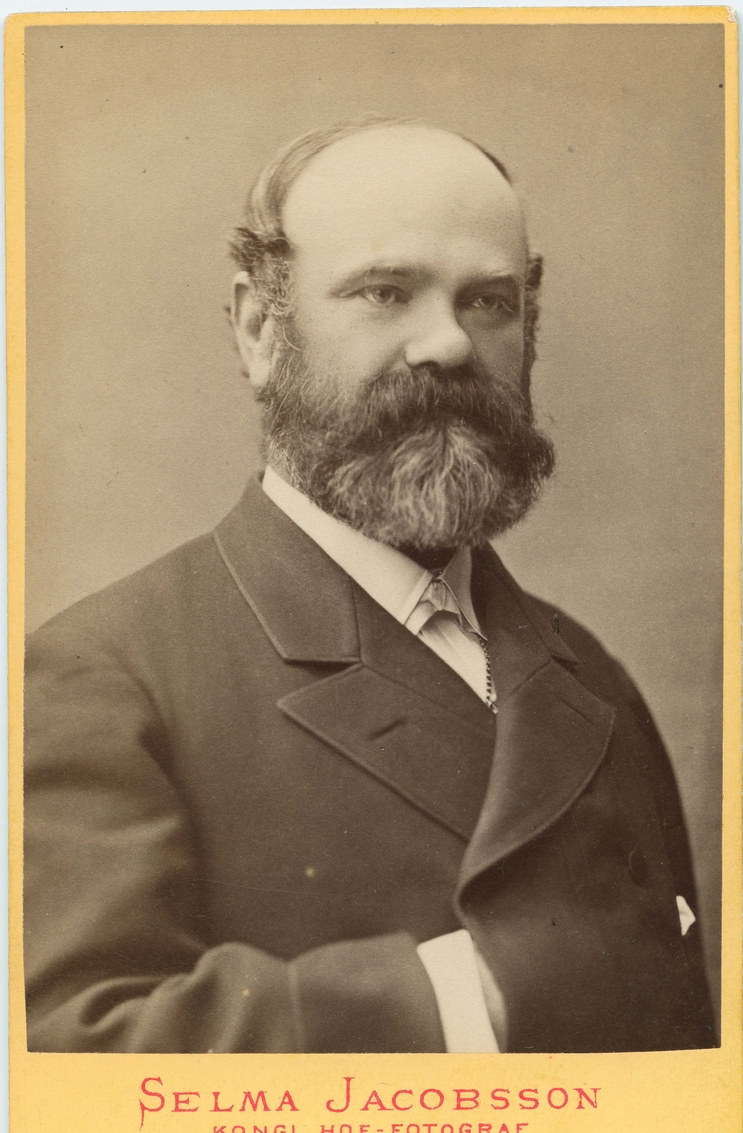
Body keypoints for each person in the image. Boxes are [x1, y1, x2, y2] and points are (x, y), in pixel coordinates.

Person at [24, 116, 716, 1054]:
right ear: (260, 330)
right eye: (385, 293)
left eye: (489, 302)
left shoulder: (591, 679)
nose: (449, 345)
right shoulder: (99, 679)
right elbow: (67, 1058)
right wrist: (486, 994)